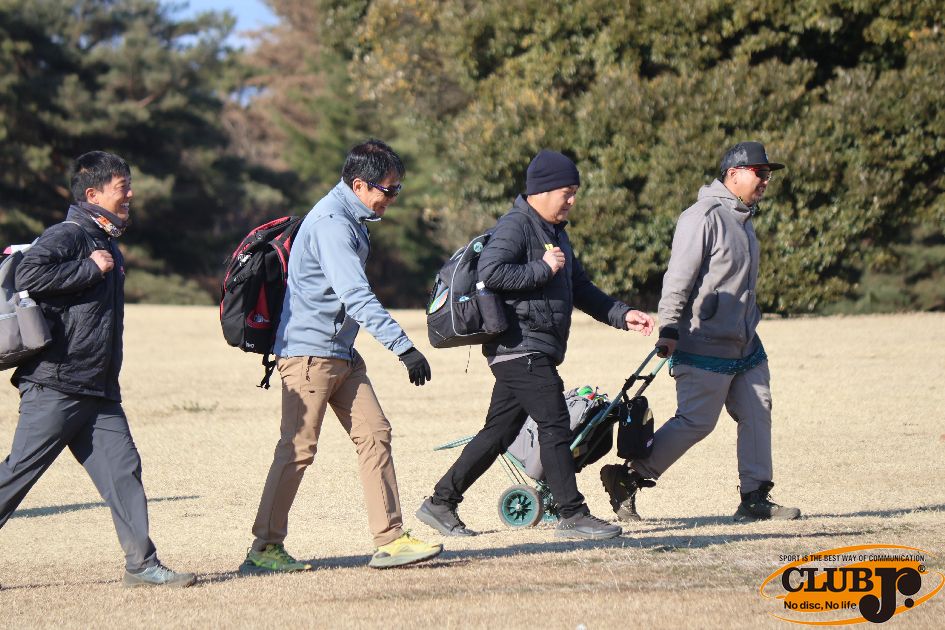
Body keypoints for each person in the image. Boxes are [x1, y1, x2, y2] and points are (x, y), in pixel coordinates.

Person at [416, 149, 655, 540]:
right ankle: (572, 515)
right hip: (519, 346)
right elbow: (492, 272)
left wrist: (622, 314)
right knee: (555, 422)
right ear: (541, 191)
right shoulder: (517, 225)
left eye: (575, 192)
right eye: (567, 192)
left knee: (498, 433)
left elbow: (581, 288)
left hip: (530, 347)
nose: (572, 200)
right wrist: (542, 268)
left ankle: (440, 503)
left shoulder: (555, 232)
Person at [241, 139, 442, 574]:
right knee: (297, 449)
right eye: (388, 189)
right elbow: (355, 295)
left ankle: (390, 541)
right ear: (359, 185)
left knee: (375, 434)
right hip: (309, 357)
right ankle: (264, 548)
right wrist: (403, 347)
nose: (392, 198)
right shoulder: (332, 223)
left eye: (397, 189)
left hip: (340, 354)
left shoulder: (352, 218)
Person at [0, 151, 196, 587]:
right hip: (56, 385)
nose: (131, 194)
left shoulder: (107, 240)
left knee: (124, 470)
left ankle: (142, 565)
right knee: (17, 475)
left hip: (98, 390)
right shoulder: (70, 234)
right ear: (93, 194)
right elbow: (29, 274)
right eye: (122, 187)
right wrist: (88, 267)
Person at [600, 141, 801, 523]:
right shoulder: (702, 217)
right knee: (697, 421)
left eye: (768, 174)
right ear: (733, 174)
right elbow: (678, 277)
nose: (765, 180)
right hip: (702, 341)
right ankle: (628, 478)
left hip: (745, 344)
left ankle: (755, 497)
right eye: (760, 173)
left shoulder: (743, 218)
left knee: (758, 411)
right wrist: (669, 326)